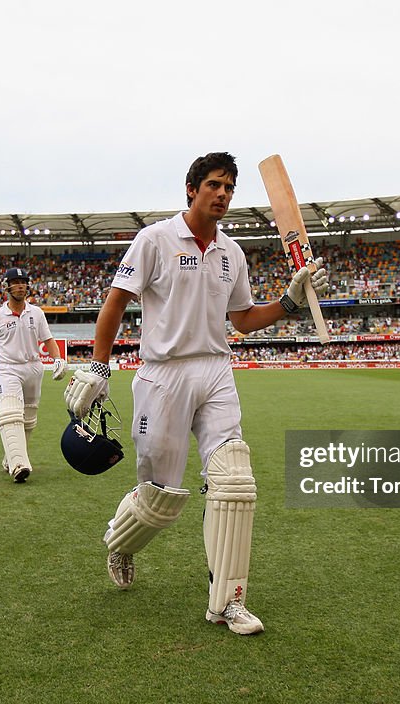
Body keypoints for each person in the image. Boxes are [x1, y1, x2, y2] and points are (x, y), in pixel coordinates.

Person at [64, 152, 329, 635]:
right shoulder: (155, 240)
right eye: (213, 185)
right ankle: (122, 545)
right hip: (162, 375)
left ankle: (228, 601)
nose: (222, 194)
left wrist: (289, 301)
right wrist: (100, 367)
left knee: (235, 482)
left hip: (215, 370)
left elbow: (243, 320)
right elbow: (115, 304)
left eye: (229, 187)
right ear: (191, 189)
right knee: (159, 497)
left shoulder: (233, 254)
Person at [0, 267, 67, 483]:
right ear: (7, 286)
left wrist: (58, 359)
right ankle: (19, 464)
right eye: (15, 282)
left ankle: (10, 457)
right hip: (8, 368)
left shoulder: (36, 313)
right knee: (10, 412)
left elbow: (48, 340)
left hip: (33, 368)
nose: (20, 285)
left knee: (28, 418)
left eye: (23, 282)